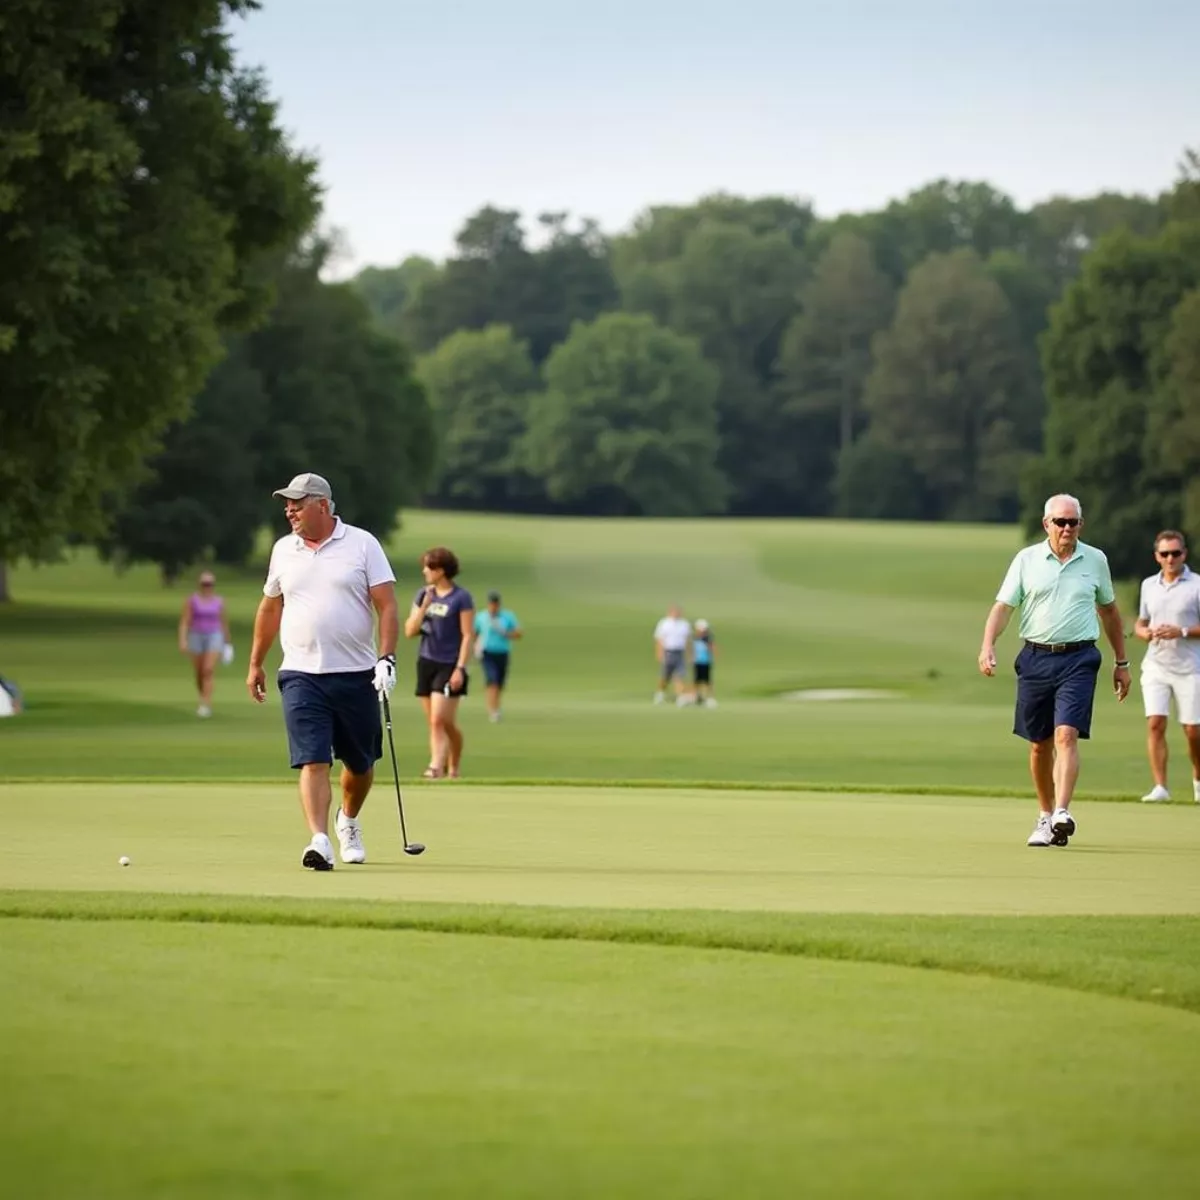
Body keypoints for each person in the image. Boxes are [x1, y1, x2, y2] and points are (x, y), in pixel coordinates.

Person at [246, 472, 399, 871]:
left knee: (361, 764)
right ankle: (319, 840)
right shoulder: (283, 550)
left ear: (323, 505)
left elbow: (387, 605)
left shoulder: (362, 544)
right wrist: (255, 662)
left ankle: (347, 820)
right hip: (300, 673)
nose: (289, 510)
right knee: (313, 760)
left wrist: (387, 658)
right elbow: (270, 608)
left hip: (356, 673)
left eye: (298, 503)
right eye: (287, 504)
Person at [978, 493, 1131, 847]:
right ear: (1046, 524)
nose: (1066, 528)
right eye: (1060, 522)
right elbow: (1003, 607)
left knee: (1066, 735)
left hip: (1079, 658)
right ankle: (1045, 816)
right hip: (1034, 657)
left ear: (1081, 524)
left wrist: (1121, 663)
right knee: (1039, 745)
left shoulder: (1095, 560)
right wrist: (988, 645)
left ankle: (1063, 811)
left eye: (1072, 522)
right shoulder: (1026, 560)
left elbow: (1108, 611)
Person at [1134, 530, 1200, 803]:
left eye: (1175, 553)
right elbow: (1140, 623)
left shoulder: (1196, 584)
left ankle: (1198, 780)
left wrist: (1181, 631)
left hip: (1191, 667)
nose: (1170, 558)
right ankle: (1160, 786)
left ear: (1184, 554)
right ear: (1157, 556)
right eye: (1165, 554)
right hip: (1156, 665)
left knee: (1193, 730)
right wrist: (1146, 633)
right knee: (1155, 723)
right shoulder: (1149, 585)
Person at [404, 546, 474, 779]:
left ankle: (436, 765)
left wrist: (460, 669)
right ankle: (450, 766)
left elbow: (467, 635)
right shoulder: (423, 594)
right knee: (439, 722)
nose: (425, 571)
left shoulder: (461, 598)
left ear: (441, 570)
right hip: (427, 661)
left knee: (439, 720)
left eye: (429, 567)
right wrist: (424, 606)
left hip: (449, 664)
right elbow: (410, 631)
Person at [178, 570, 231, 718]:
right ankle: (202, 696)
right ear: (200, 585)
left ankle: (205, 703)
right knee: (199, 672)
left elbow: (223, 623)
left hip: (214, 635)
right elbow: (185, 621)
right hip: (196, 635)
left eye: (210, 584)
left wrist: (227, 644)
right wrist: (183, 639)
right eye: (205, 584)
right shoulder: (192, 600)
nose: (207, 587)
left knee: (208, 670)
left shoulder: (219, 601)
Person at [473, 590, 522, 722]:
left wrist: (505, 633)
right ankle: (493, 711)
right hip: (487, 652)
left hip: (503, 652)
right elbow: (474, 633)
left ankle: (496, 706)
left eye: (495, 604)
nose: (493, 607)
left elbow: (518, 633)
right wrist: (475, 647)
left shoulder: (507, 616)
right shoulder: (482, 617)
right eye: (491, 604)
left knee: (499, 683)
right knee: (492, 681)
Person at [653, 605, 691, 705]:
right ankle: (660, 694)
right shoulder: (664, 623)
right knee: (665, 676)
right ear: (670, 612)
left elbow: (687, 640)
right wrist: (660, 653)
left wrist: (689, 653)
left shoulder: (684, 624)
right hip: (668, 651)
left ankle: (680, 697)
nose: (676, 614)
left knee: (680, 675)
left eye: (678, 612)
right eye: (674, 612)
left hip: (680, 652)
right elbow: (660, 639)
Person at [692, 618, 718, 708]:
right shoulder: (695, 638)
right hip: (697, 661)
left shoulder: (708, 639)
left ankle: (710, 698)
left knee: (707, 681)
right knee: (696, 681)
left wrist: (713, 653)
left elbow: (713, 648)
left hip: (706, 661)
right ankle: (697, 697)